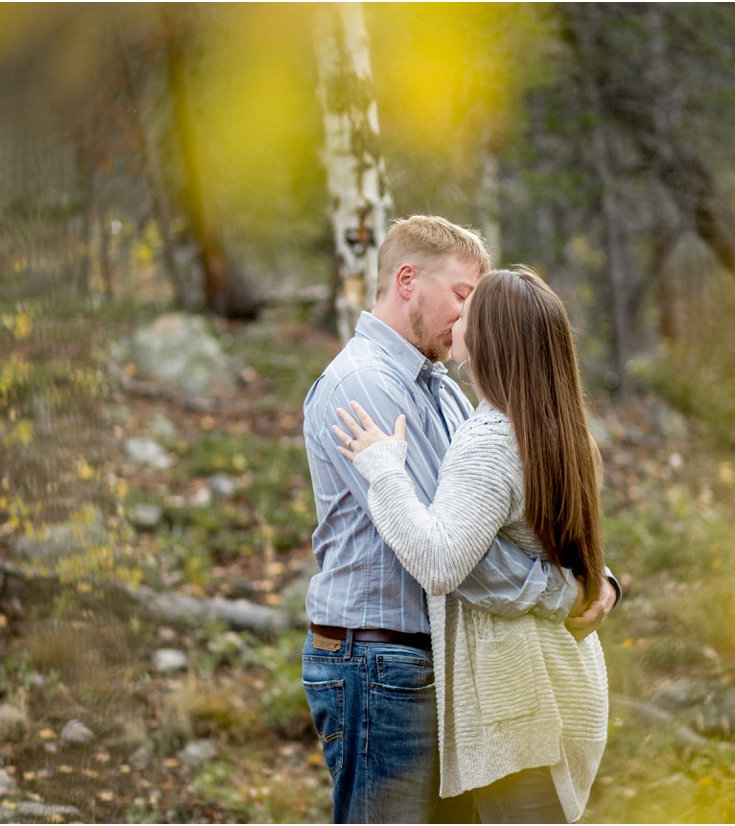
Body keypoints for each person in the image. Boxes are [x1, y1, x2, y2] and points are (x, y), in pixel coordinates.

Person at [301, 216, 620, 823]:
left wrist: (594, 576)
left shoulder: (446, 390)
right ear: (406, 281)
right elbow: (449, 556)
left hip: (436, 666)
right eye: (463, 295)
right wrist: (567, 589)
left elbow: (496, 520)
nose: (467, 315)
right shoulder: (366, 382)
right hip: (380, 662)